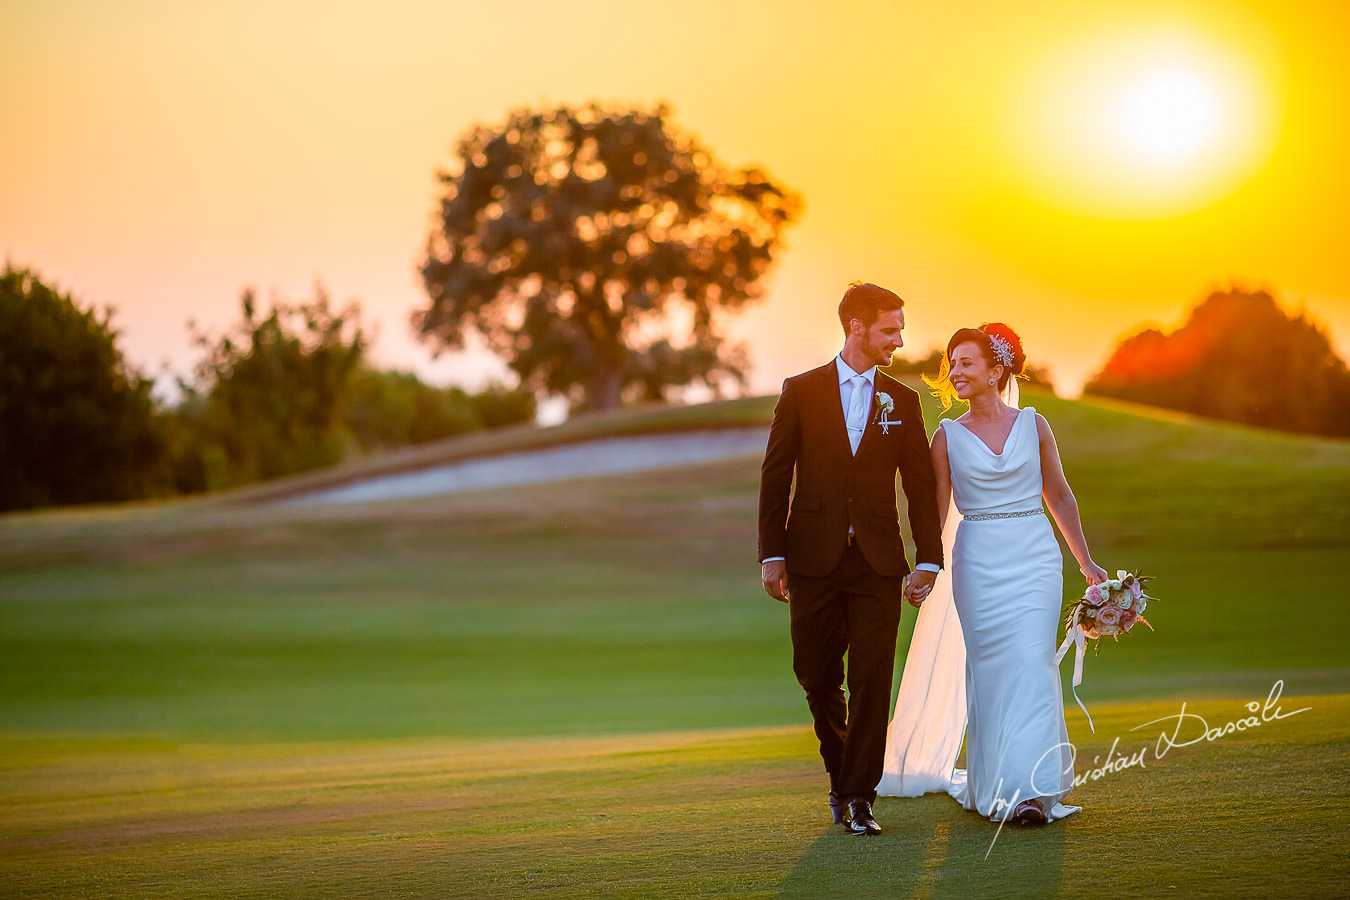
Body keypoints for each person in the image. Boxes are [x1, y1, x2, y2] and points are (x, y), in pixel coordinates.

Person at [876, 323, 1108, 825]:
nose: (954, 372)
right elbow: (936, 512)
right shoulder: (946, 437)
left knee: (1033, 662)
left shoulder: (1034, 424)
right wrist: (926, 567)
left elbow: (1060, 496)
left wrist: (1086, 563)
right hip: (977, 560)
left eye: (966, 362)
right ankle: (998, 788)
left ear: (996, 370)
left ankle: (1031, 792)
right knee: (991, 672)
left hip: (1035, 556)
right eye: (952, 363)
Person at [758, 282, 944, 836]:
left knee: (870, 679)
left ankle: (859, 796)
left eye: (901, 329)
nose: (900, 339)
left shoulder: (903, 401)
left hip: (878, 563)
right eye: (891, 328)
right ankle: (844, 776)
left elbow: (918, 484)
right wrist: (772, 554)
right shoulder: (801, 391)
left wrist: (928, 559)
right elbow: (775, 476)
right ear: (856, 327)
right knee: (816, 676)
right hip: (811, 558)